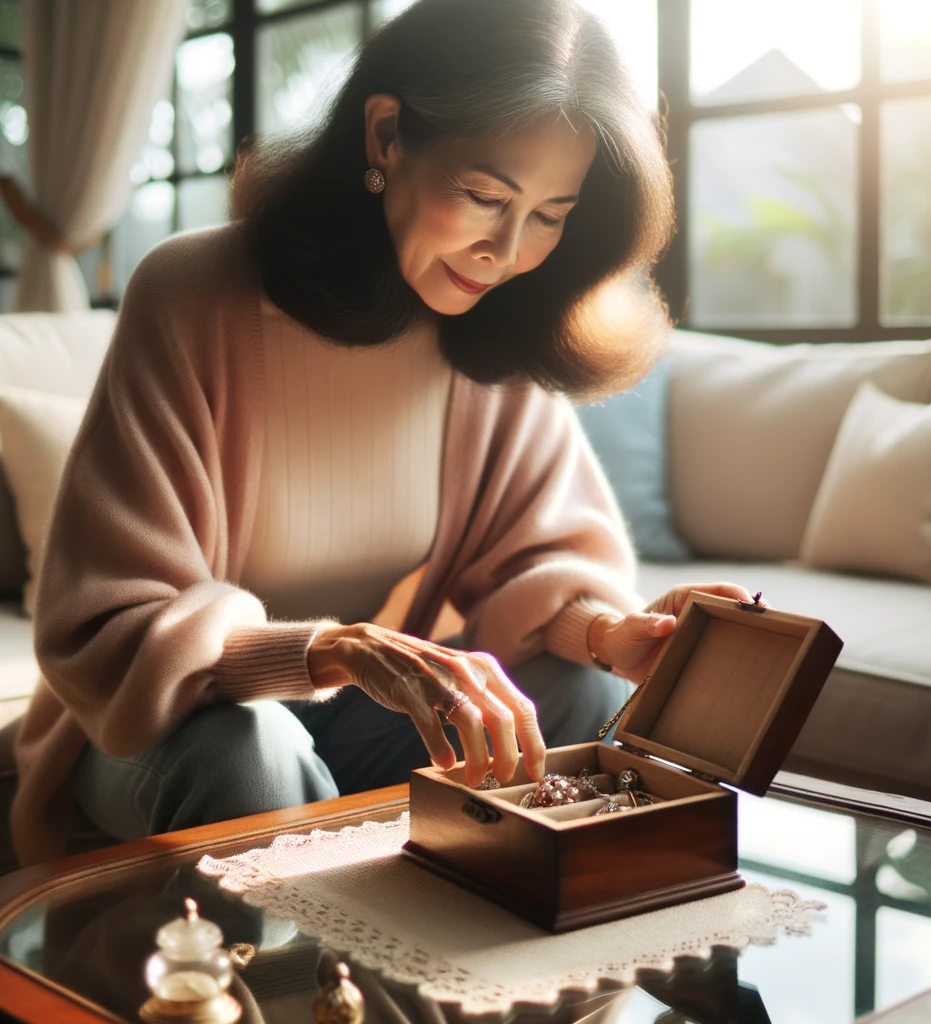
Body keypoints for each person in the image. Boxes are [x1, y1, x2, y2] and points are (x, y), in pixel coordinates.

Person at [10, 0, 751, 866]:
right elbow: (110, 626)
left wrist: (609, 635)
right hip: (157, 724)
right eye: (484, 196)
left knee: (578, 695)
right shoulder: (193, 293)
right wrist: (333, 652)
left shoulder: (493, 331)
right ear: (387, 135)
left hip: (348, 714)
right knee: (250, 751)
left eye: (550, 215)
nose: (506, 252)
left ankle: (484, 980)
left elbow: (533, 564)